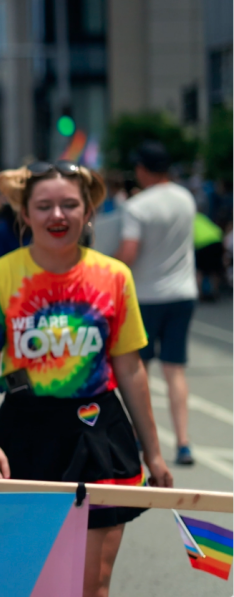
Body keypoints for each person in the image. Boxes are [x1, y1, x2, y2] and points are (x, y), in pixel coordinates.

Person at [0, 161, 172, 597]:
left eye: (69, 205)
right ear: (25, 215)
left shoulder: (115, 276)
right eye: (43, 206)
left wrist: (153, 452)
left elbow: (130, 368)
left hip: (99, 434)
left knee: (91, 584)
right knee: (34, 581)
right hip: (25, 434)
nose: (57, 216)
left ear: (88, 212)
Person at [113, 142, 198, 466]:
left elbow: (129, 253)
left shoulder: (137, 206)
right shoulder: (186, 199)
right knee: (175, 369)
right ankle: (183, 441)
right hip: (183, 292)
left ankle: (138, 435)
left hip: (147, 295)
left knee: (140, 368)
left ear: (144, 170)